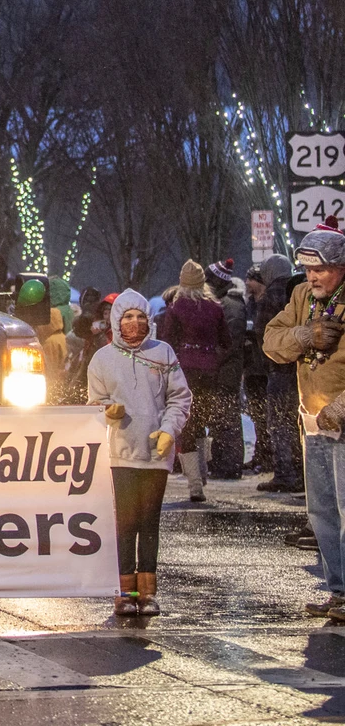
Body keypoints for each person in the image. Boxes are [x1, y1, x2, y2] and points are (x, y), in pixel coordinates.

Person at [87, 289, 192, 616]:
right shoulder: (102, 359)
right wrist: (108, 412)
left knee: (149, 522)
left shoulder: (163, 354)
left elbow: (180, 398)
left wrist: (169, 430)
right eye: (128, 317)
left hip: (155, 455)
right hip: (118, 454)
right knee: (124, 522)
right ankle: (123, 591)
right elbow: (93, 404)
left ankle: (147, 593)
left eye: (140, 316)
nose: (135, 323)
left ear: (149, 319)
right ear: (116, 322)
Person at [263, 218, 345, 618]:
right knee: (322, 512)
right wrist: (303, 336)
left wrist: (341, 407)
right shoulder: (300, 296)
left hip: (341, 422)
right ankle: (339, 593)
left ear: (341, 268)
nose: (313, 276)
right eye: (309, 269)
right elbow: (270, 342)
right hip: (313, 423)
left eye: (321, 269)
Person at [157, 260, 232, 503]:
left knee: (186, 425)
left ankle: (195, 485)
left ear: (182, 282)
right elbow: (226, 342)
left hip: (184, 371)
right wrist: (213, 358)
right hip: (209, 371)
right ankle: (203, 470)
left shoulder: (177, 308)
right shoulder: (215, 308)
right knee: (202, 421)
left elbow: (168, 341)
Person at [255, 254, 303, 493]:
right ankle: (303, 472)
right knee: (299, 422)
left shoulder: (270, 296)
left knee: (278, 423)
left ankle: (285, 474)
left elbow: (264, 337)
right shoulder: (301, 292)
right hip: (301, 370)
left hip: (279, 371)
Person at [204, 258, 247, 479]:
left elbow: (229, 342)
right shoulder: (225, 303)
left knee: (227, 417)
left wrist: (211, 360)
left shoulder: (231, 306)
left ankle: (229, 464)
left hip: (227, 372)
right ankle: (222, 461)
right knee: (220, 418)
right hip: (223, 370)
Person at [243, 264, 274, 476]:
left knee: (266, 415)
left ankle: (268, 456)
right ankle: (260, 454)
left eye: (250, 279)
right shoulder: (251, 303)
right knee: (256, 415)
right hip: (252, 367)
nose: (246, 283)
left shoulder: (267, 303)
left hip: (264, 367)